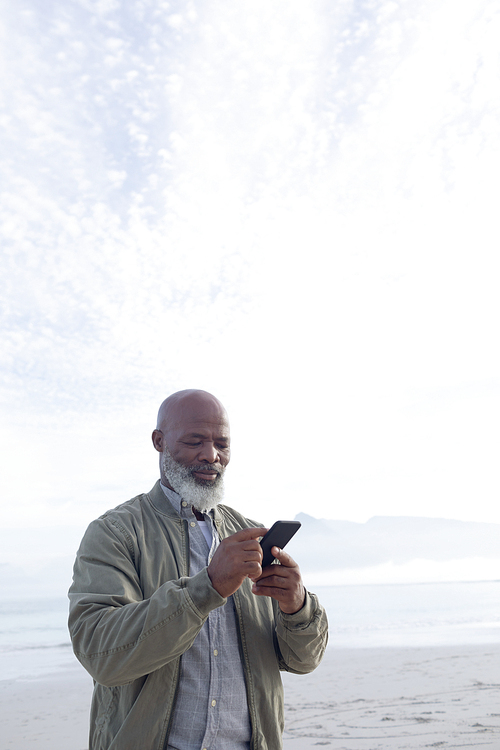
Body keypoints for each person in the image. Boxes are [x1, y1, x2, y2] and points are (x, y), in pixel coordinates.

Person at [68, 389, 328, 750]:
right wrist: (208, 586)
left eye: (222, 443)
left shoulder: (250, 534)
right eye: (194, 441)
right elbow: (102, 654)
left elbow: (303, 660)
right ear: (159, 441)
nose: (211, 455)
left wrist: (296, 606)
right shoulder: (115, 533)